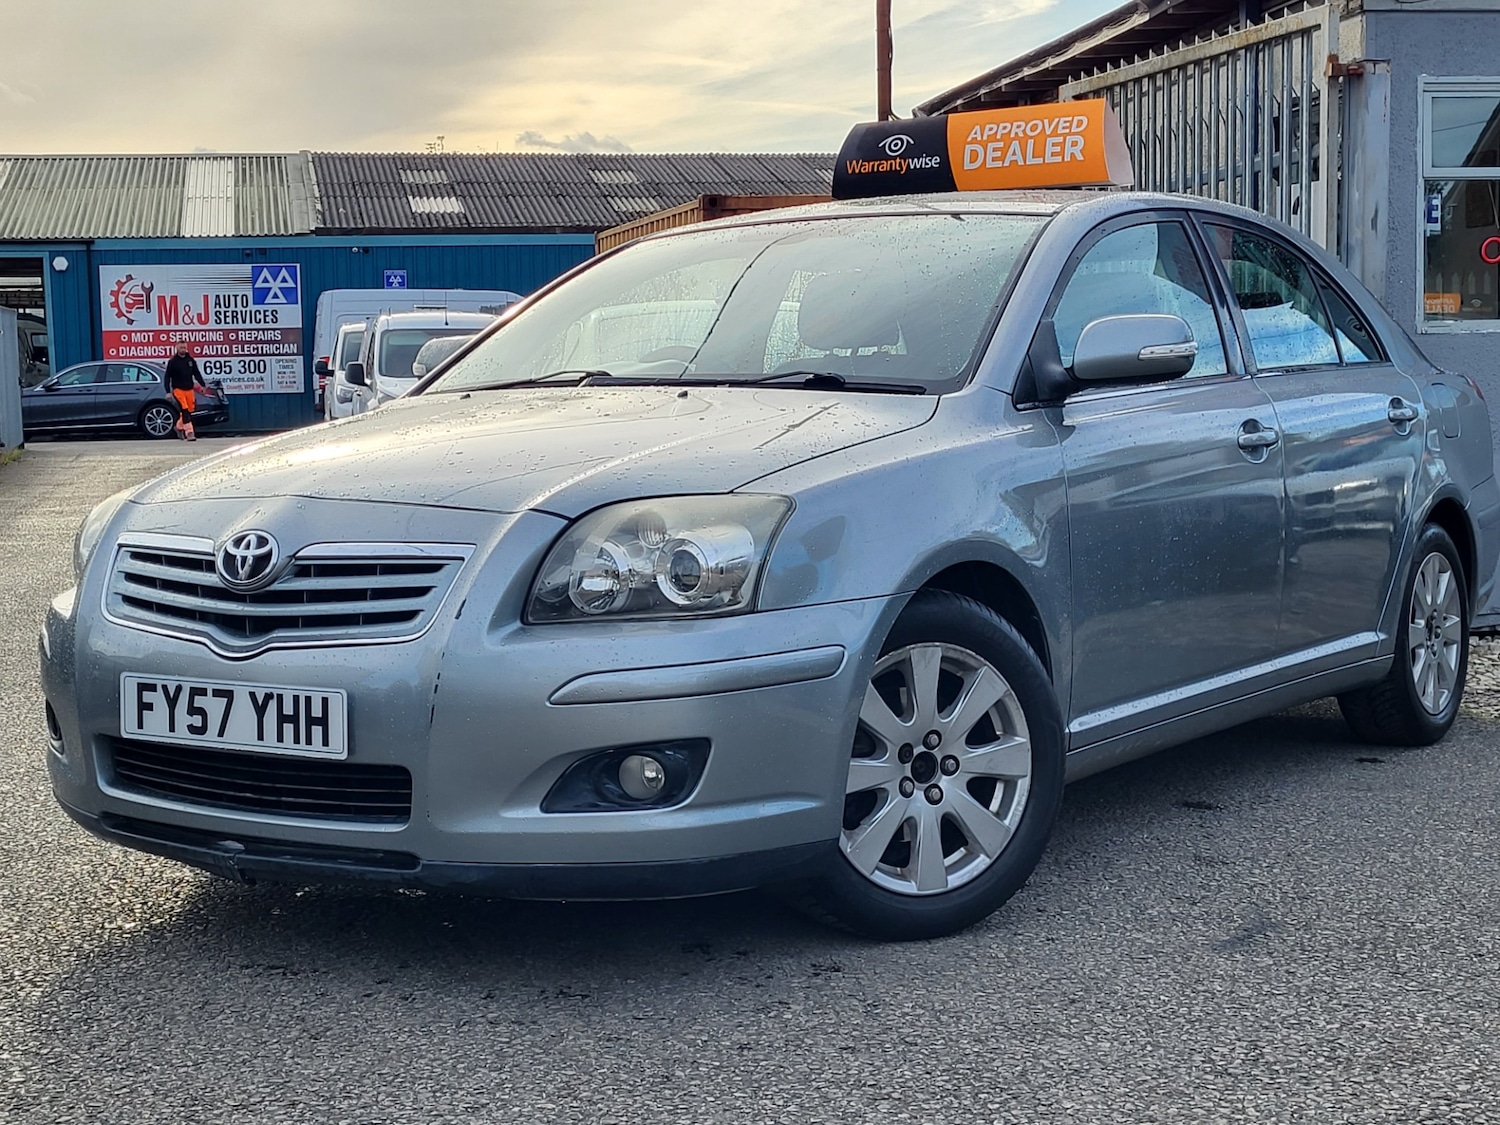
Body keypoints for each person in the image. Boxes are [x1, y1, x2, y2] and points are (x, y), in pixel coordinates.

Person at [163, 340, 206, 441]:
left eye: (184, 348)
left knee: (189, 410)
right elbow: (167, 377)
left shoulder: (190, 360)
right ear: (177, 348)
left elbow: (196, 373)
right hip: (178, 390)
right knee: (184, 410)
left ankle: (178, 427)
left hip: (189, 389)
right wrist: (168, 391)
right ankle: (189, 433)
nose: (183, 349)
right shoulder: (173, 362)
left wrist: (202, 385)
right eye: (181, 348)